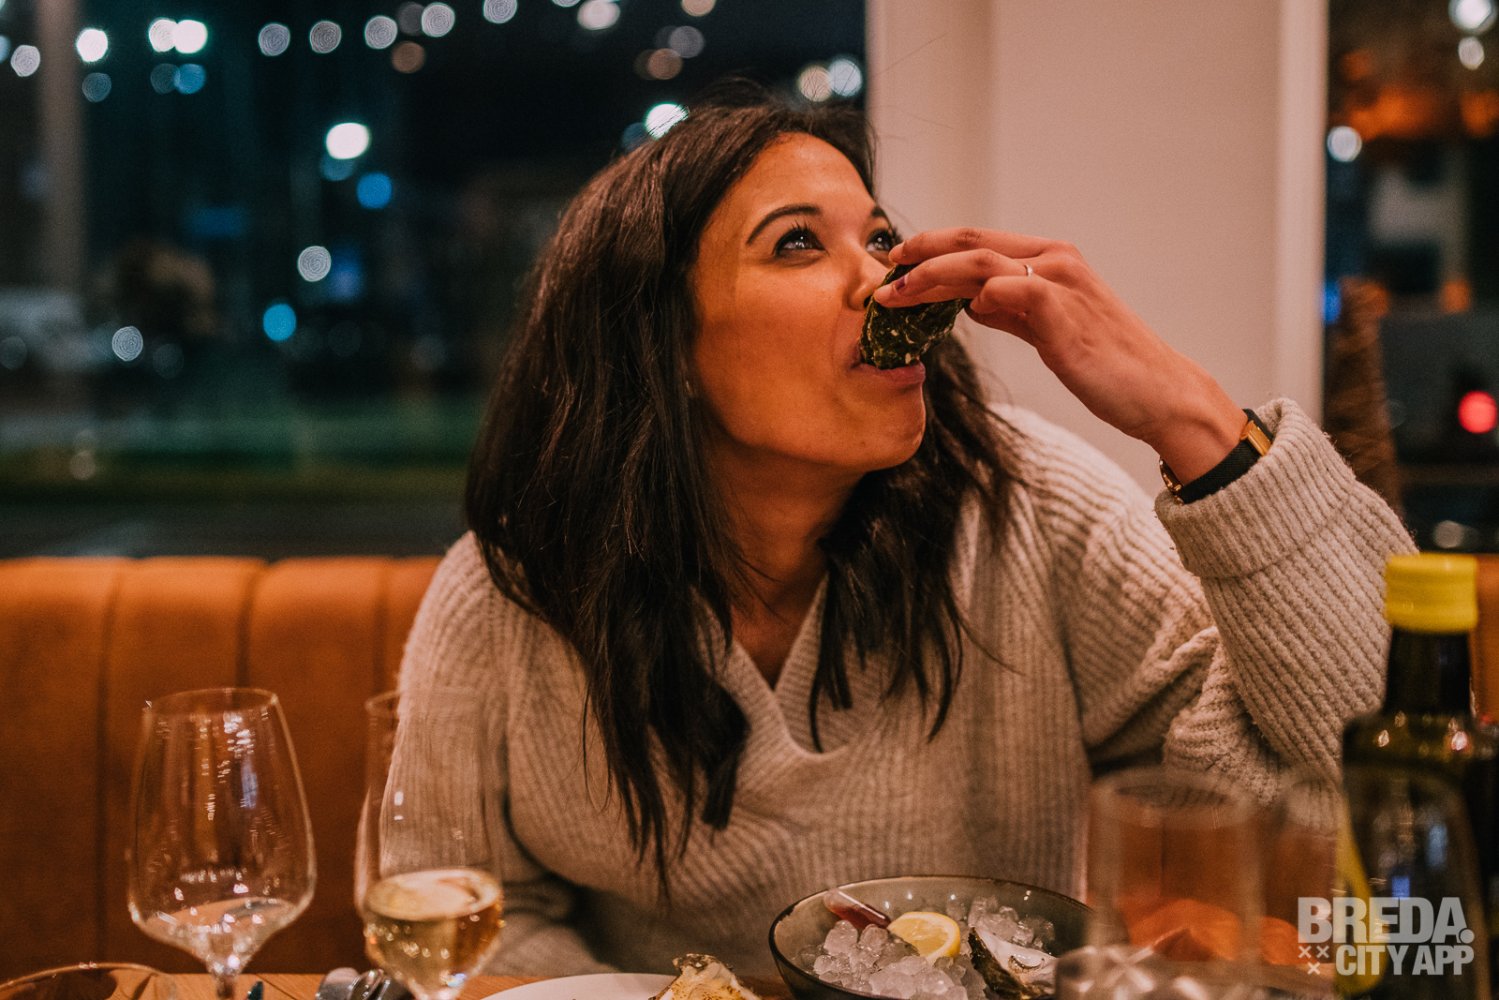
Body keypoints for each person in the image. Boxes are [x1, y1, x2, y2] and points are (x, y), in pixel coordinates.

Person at [397, 83, 1412, 977]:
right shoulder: (513, 592)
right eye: (797, 242)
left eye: (881, 239)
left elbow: (1377, 809)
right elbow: (475, 918)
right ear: (658, 347)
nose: (885, 283)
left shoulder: (1028, 508)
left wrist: (1192, 423)